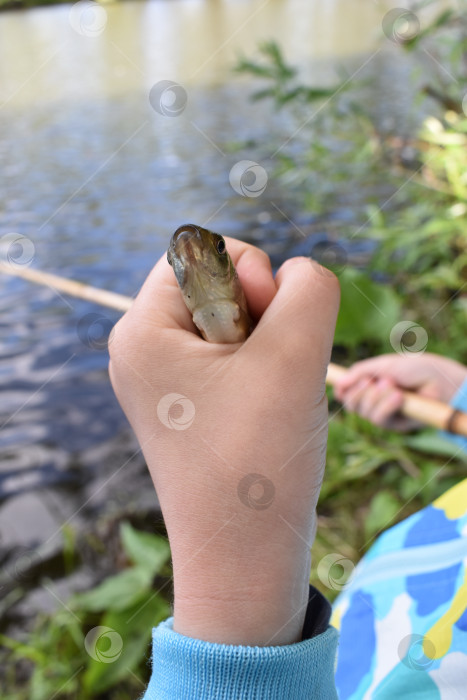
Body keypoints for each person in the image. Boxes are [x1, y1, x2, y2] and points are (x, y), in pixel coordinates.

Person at [108, 238, 467, 699]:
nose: (195, 259)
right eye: (182, 263)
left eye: (212, 251)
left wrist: (238, 602)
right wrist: (456, 395)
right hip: (367, 619)